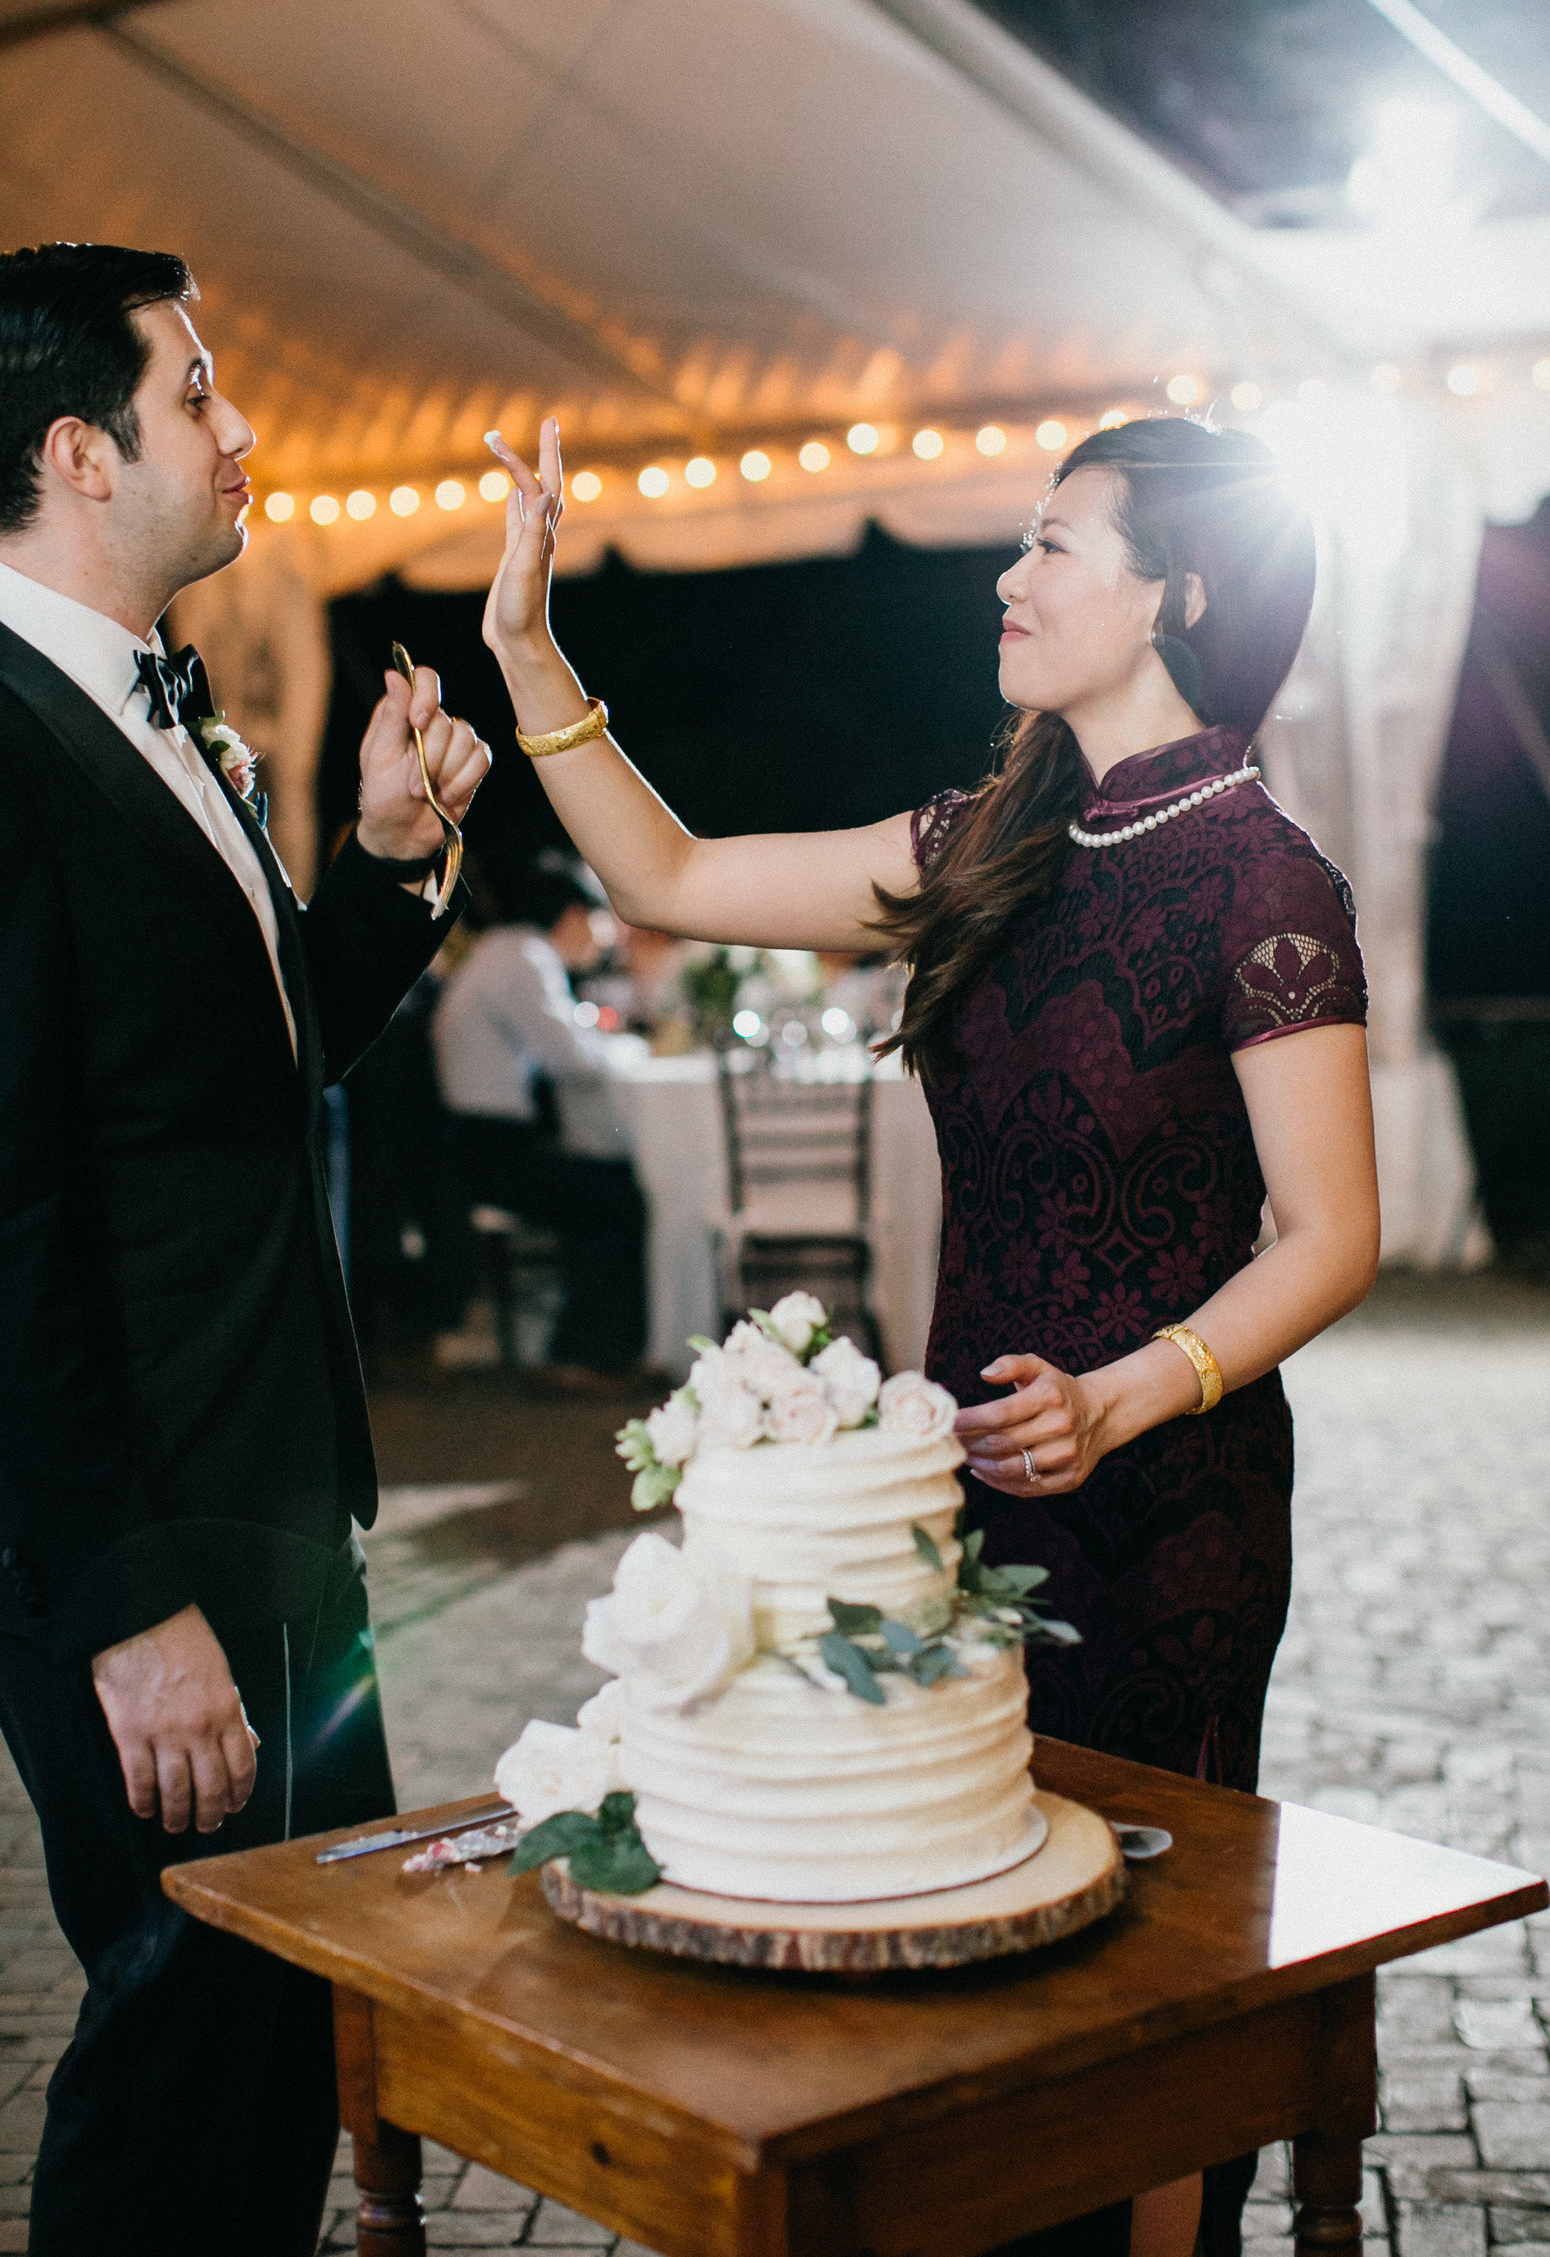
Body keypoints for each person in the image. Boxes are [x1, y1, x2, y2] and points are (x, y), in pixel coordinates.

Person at [478, 410, 1380, 2257]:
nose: (1010, 573)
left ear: (1176, 596)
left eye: (1058, 546)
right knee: (973, 1948)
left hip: (1169, 1510)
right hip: (962, 1515)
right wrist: (528, 652)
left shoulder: (1266, 884)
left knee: (1147, 1995)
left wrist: (1130, 1396)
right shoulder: (984, 846)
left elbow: (1334, 1231)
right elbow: (673, 881)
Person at [0, 241, 491, 2256]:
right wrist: (127, 1606)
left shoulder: (148, 720)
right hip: (152, 1547)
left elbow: (252, 1071)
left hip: (280, 1505)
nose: (241, 426)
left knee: (296, 2015)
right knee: (184, 2030)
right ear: (78, 454)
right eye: (197, 390)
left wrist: (381, 871)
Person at [433, 852, 648, 1388]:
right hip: (490, 1149)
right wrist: (633, 1051)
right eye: (600, 920)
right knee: (614, 1195)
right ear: (574, 914)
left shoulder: (506, 951)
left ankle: (590, 1350)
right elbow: (569, 1056)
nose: (603, 938)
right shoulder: (524, 956)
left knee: (603, 1188)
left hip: (479, 1141)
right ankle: (581, 1356)